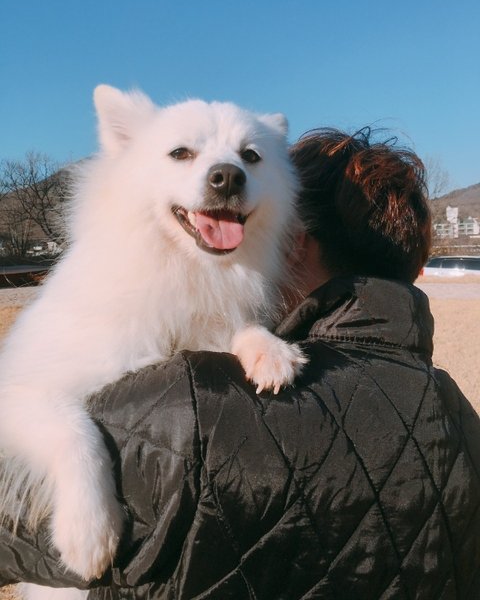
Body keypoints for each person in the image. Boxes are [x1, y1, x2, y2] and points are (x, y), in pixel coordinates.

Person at [1, 128, 479, 599]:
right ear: (414, 261)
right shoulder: (461, 419)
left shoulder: (192, 410)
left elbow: (21, 538)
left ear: (294, 240)